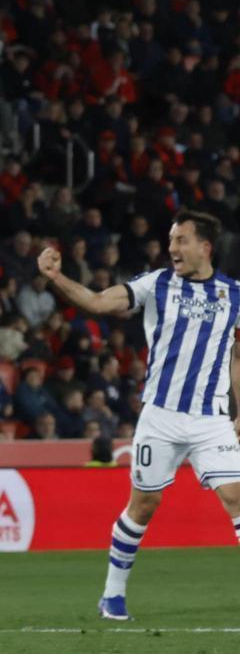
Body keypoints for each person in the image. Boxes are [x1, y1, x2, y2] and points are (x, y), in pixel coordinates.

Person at [37, 209, 240, 621]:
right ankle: (112, 596)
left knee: (237, 496)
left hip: (210, 418)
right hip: (160, 417)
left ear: (205, 247)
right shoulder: (156, 284)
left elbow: (235, 356)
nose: (172, 248)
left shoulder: (233, 294)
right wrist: (56, 278)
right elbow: (96, 302)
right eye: (170, 240)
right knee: (143, 506)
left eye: (181, 240)